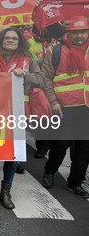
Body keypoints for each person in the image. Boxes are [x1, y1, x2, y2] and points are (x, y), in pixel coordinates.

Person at [0, 27, 46, 209]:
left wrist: (26, 75)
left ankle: (6, 191)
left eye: (14, 38)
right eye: (7, 38)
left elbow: (41, 80)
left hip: (17, 111)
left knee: (13, 152)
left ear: (19, 42)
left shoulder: (27, 60)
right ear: (0, 40)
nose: (10, 40)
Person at [41, 16, 89, 198]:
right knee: (61, 144)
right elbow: (46, 79)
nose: (79, 35)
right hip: (63, 108)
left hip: (87, 108)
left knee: (85, 148)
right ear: (68, 33)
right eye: (75, 32)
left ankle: (75, 182)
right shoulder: (56, 51)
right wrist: (52, 101)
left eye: (83, 31)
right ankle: (49, 171)